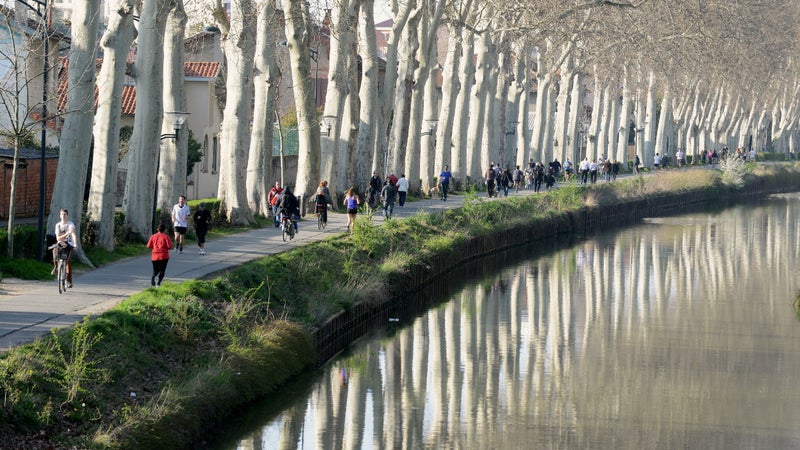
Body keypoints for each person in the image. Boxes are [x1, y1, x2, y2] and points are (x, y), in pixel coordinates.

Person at [51, 208, 79, 288]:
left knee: (68, 262)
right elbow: (58, 238)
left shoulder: (71, 224)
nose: (63, 216)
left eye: (65, 214)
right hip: (61, 243)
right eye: (62, 214)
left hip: (69, 243)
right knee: (54, 250)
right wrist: (66, 233)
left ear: (67, 216)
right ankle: (56, 267)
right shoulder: (58, 225)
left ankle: (69, 281)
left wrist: (75, 244)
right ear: (60, 216)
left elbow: (73, 234)